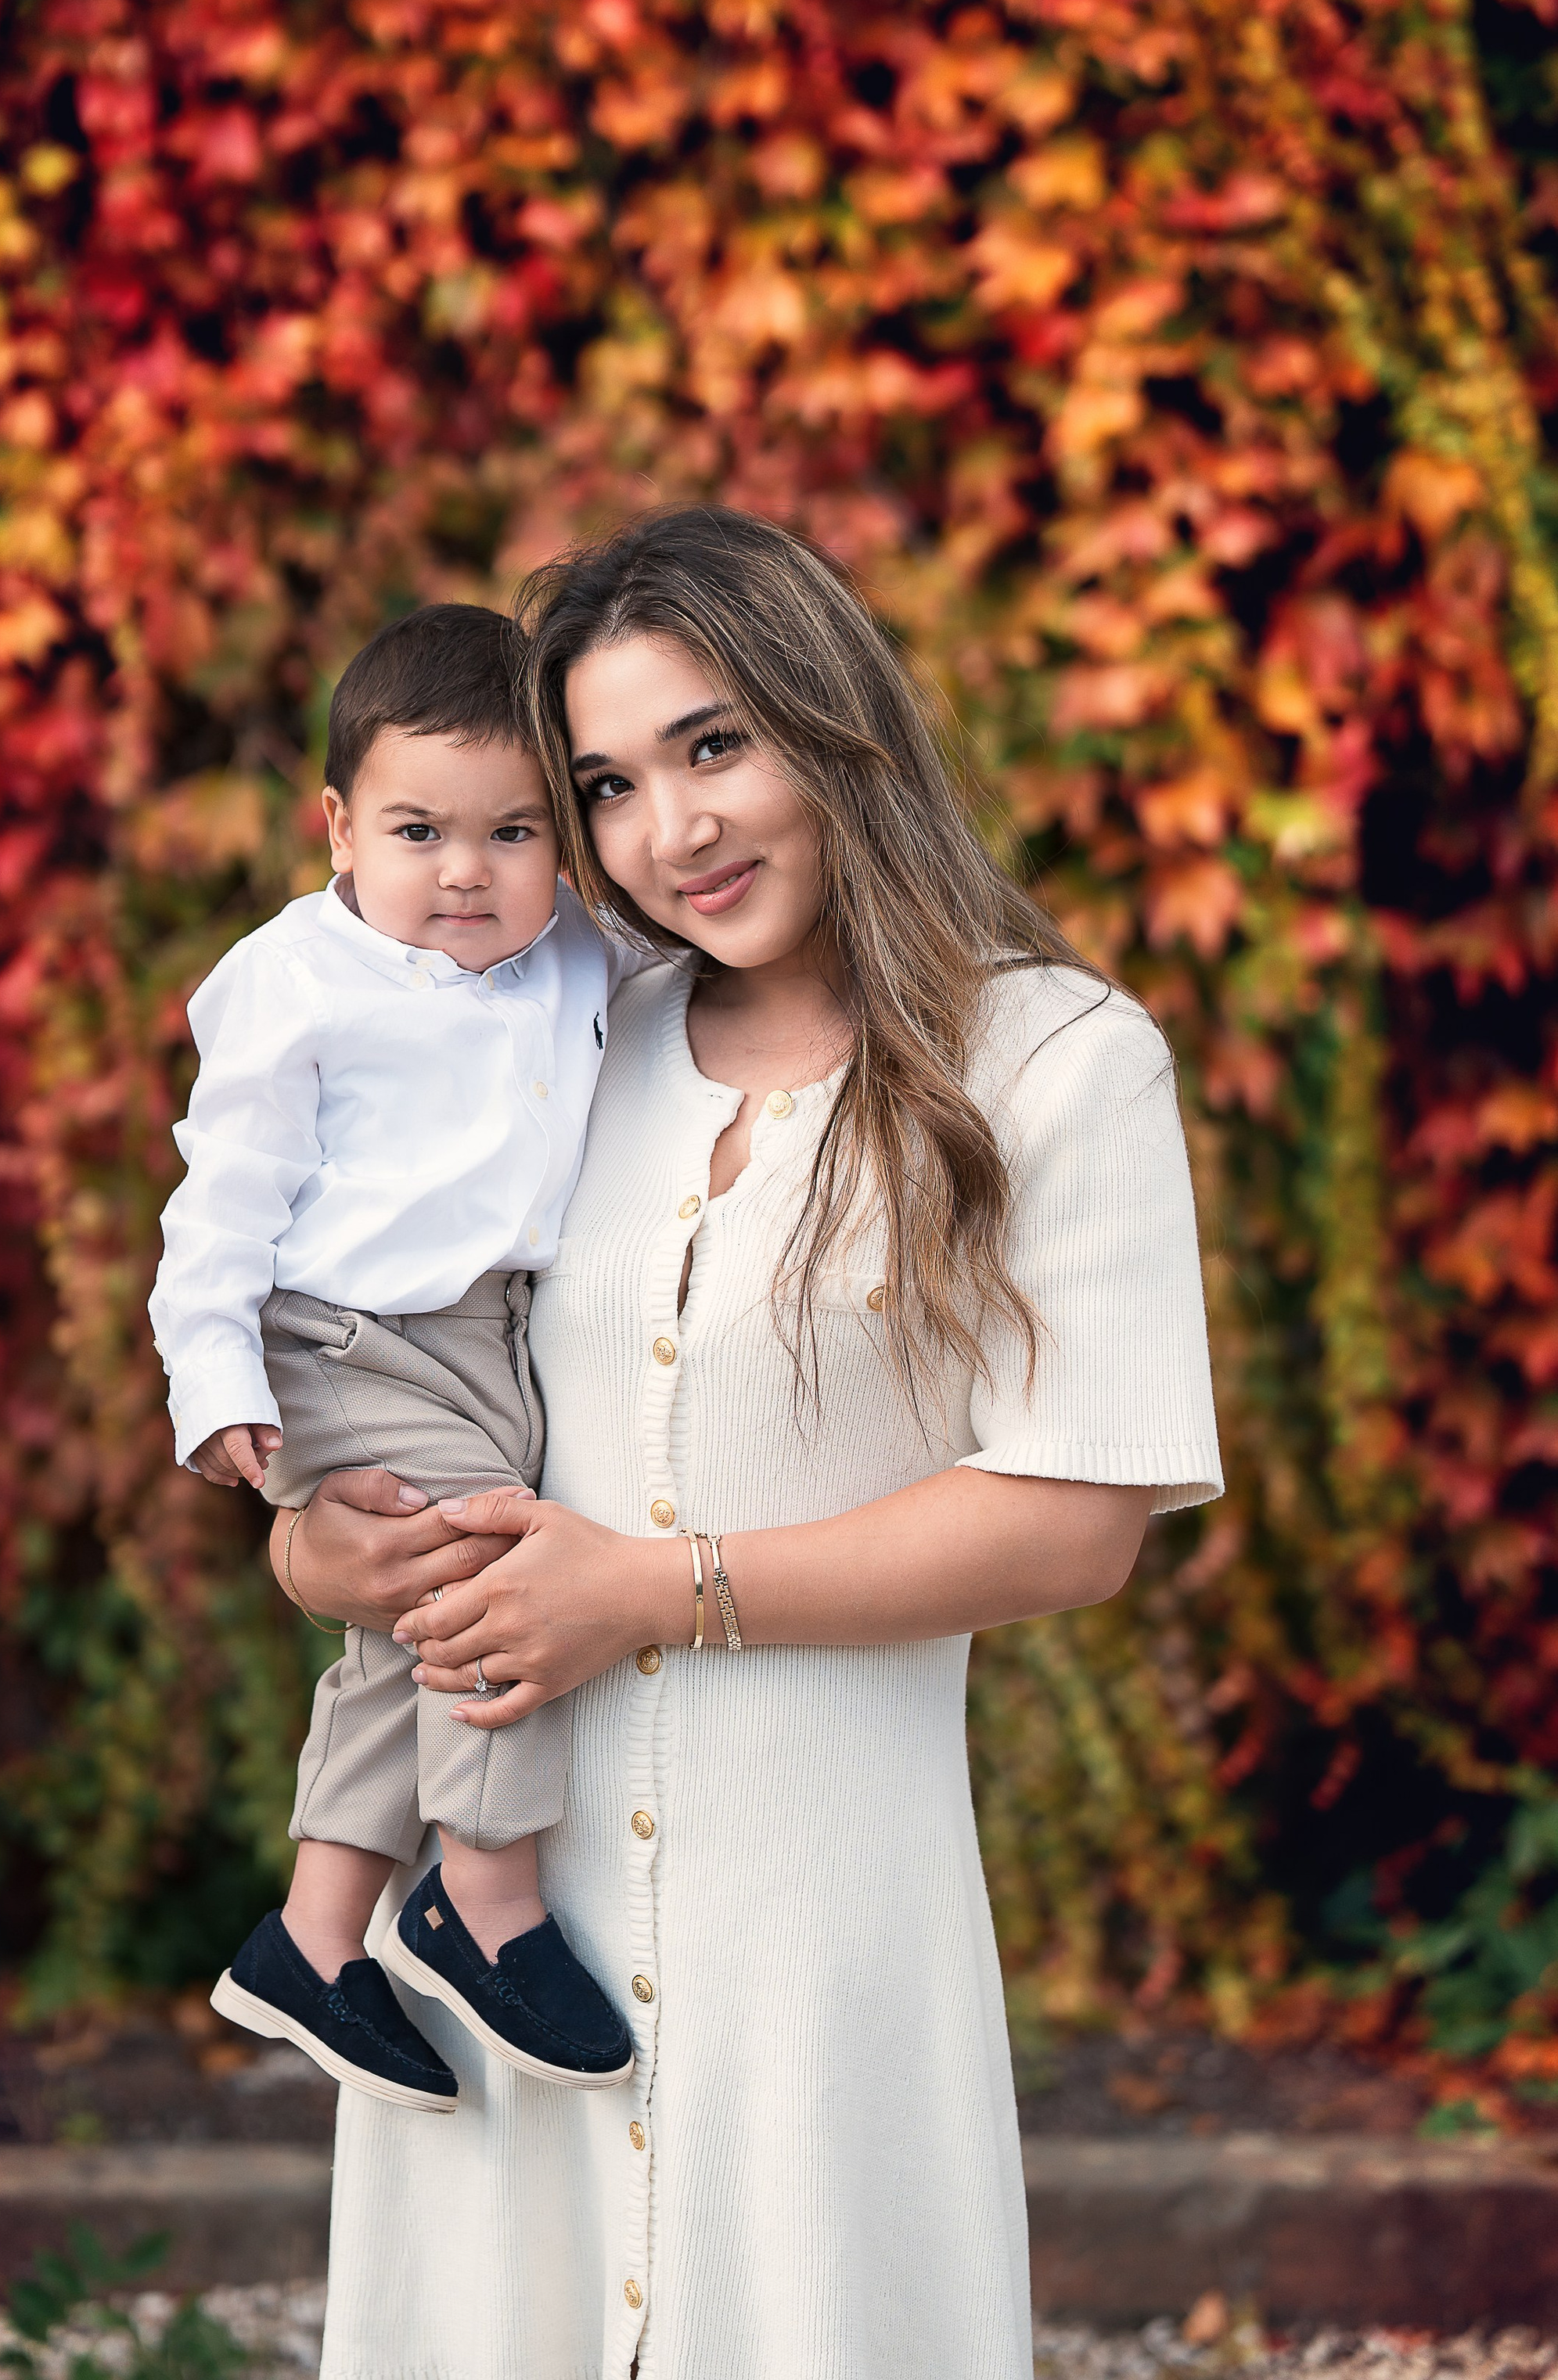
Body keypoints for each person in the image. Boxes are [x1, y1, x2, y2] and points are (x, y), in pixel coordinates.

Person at [279, 509, 1222, 2380]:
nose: (671, 831)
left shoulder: (1053, 1059)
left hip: (819, 1937)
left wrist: (652, 1590)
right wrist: (324, 1545)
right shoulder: (555, 1047)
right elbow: (385, 1384)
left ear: (829, 717)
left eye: (714, 745)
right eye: (607, 786)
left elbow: (1075, 1517)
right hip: (500, 1922)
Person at [148, 603, 641, 2114]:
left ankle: (311, 1937)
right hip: (341, 1336)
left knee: (404, 1630)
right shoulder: (298, 980)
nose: (466, 871)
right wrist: (214, 1383)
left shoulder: (575, 955)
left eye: (513, 832)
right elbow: (219, 1199)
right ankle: (482, 1900)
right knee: (488, 1575)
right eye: (421, 831)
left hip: (484, 1336)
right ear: (339, 829)